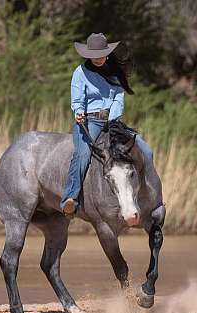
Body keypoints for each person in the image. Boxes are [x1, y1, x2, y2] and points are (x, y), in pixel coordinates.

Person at [60, 32, 154, 218]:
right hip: (89, 121)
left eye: (100, 55)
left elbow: (118, 97)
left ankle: (147, 194)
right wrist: (78, 111)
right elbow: (77, 98)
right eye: (93, 56)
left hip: (112, 121)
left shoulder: (114, 73)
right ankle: (70, 199)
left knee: (145, 150)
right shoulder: (80, 73)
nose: (97, 59)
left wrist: (112, 119)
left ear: (107, 53)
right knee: (83, 154)